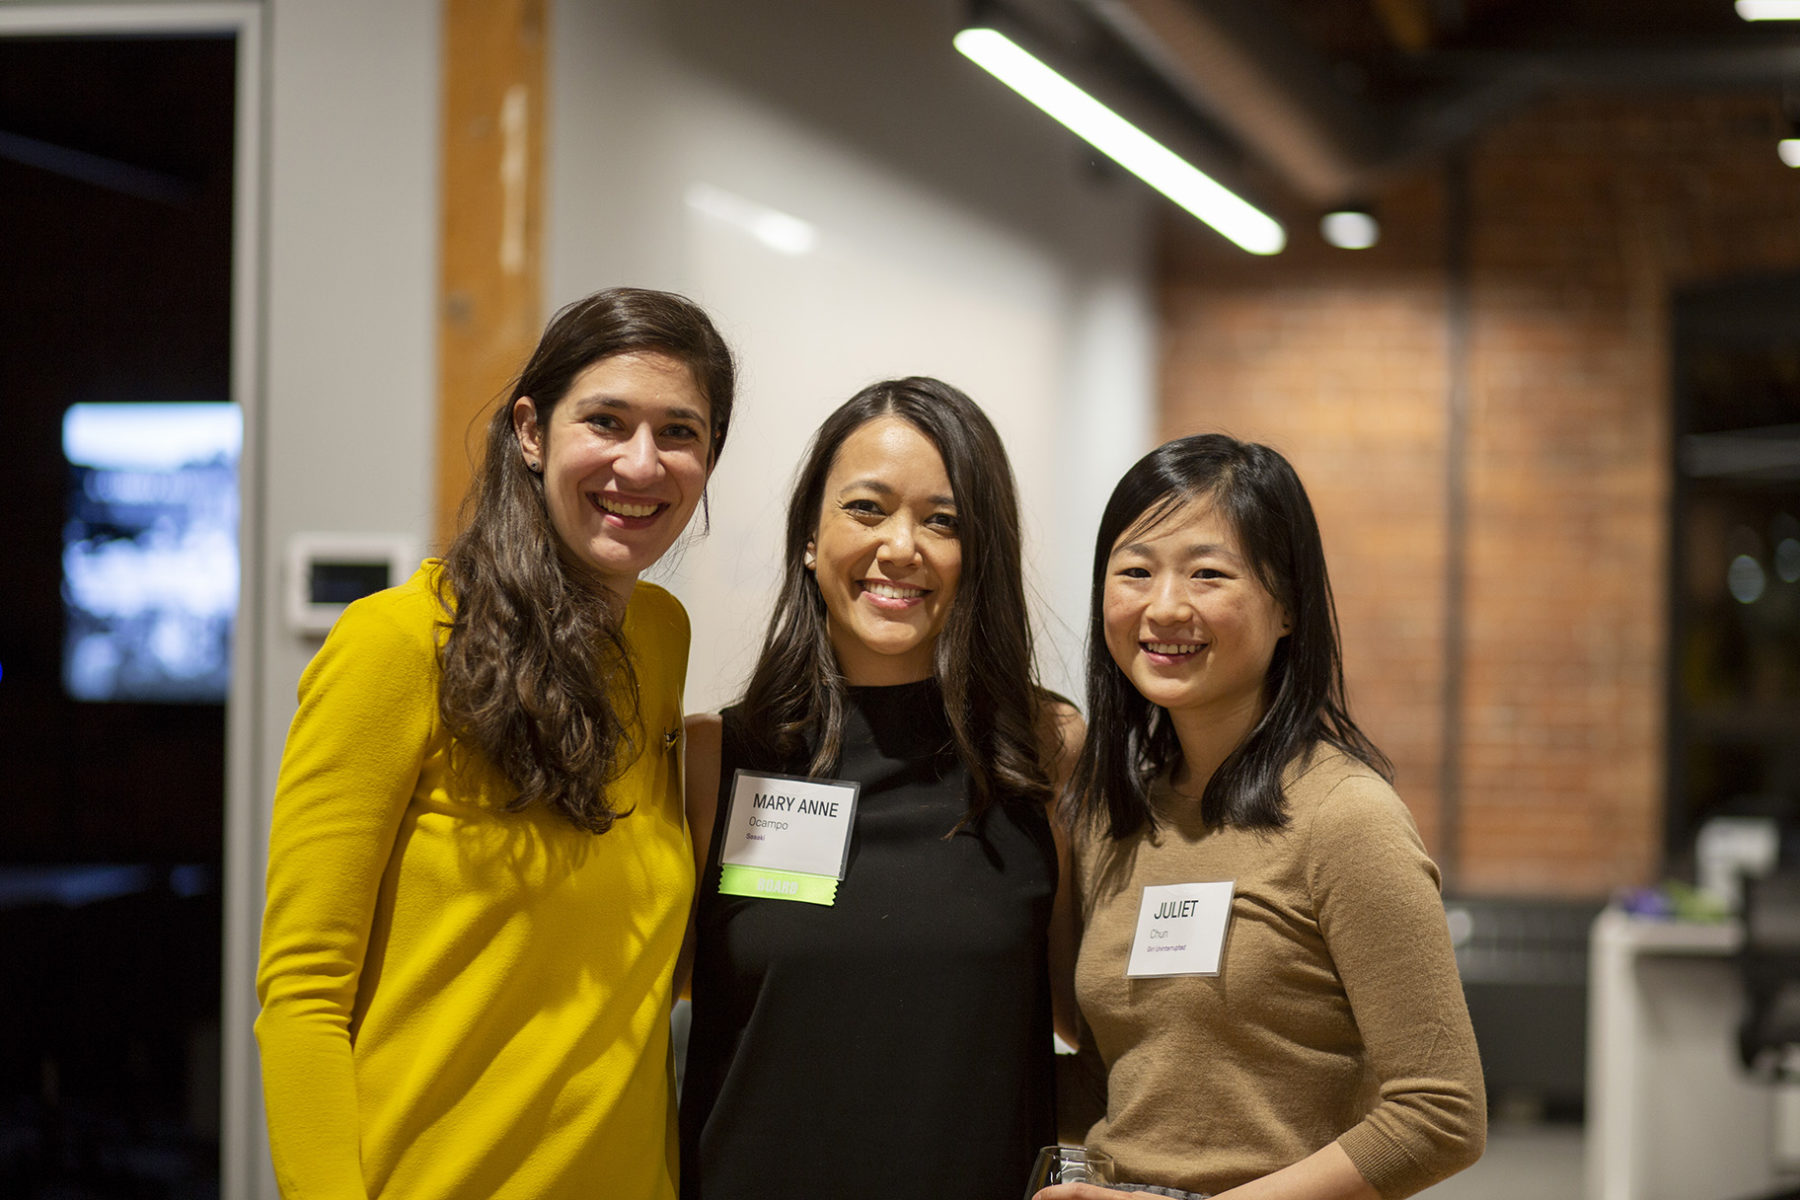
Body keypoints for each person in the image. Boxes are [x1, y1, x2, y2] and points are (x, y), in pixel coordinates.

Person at [254, 287, 736, 1200]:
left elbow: (628, 960)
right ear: (530, 430)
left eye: (681, 432)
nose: (643, 463)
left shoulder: (660, 638)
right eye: (607, 420)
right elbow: (303, 996)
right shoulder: (398, 644)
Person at [1039, 434, 1484, 1200]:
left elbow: (1440, 1113)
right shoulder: (1114, 819)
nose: (1166, 606)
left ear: (1287, 608)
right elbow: (1129, 1065)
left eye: (1208, 574)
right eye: (1136, 571)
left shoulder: (1346, 817)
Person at [679, 377, 1082, 1200]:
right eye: (867, 509)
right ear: (809, 537)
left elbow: (1094, 1014)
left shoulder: (1044, 752)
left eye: (944, 521)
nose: (902, 547)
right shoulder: (711, 759)